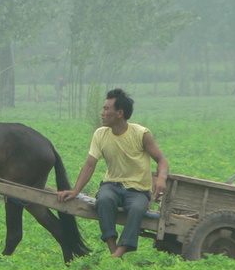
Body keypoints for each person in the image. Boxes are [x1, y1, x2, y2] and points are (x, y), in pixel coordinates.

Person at [58, 88, 169, 258]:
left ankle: (119, 252)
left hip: (138, 190)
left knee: (138, 208)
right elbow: (89, 165)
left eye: (106, 109)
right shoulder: (100, 134)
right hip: (112, 185)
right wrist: (75, 191)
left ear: (119, 113)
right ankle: (113, 249)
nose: (102, 113)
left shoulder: (141, 134)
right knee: (104, 199)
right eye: (103, 109)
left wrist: (161, 178)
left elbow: (161, 160)